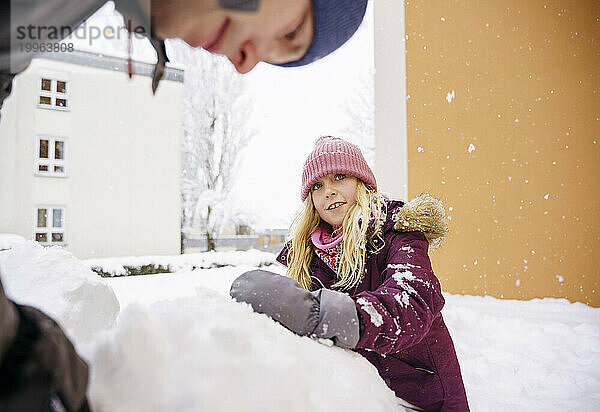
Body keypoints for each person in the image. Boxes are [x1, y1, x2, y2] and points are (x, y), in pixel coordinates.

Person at [0, 2, 368, 409]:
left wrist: (22, 357)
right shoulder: (307, 249)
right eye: (292, 31)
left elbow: (406, 308)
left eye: (340, 178)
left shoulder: (395, 234)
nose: (244, 64)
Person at [230, 136, 470, 411]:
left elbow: (412, 303)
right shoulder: (306, 258)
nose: (328, 191)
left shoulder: (398, 235)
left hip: (422, 398)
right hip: (357, 396)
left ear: (362, 183)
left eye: (340, 177)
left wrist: (320, 315)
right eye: (318, 185)